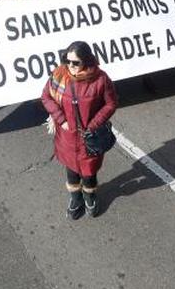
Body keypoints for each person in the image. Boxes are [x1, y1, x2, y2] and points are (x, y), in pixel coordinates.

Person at [40, 40, 118, 219]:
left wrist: (93, 124)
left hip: (89, 138)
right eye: (68, 61)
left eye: (76, 62)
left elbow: (111, 104)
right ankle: (76, 198)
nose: (71, 66)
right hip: (67, 137)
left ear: (87, 60)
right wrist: (61, 120)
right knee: (71, 171)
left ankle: (90, 196)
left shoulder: (100, 79)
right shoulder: (59, 75)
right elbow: (46, 97)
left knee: (89, 172)